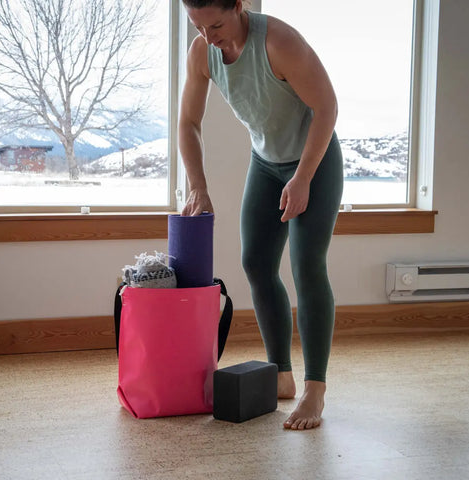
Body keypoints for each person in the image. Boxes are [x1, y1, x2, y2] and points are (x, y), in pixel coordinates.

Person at [179, 0, 343, 430]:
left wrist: (304, 177)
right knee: (256, 262)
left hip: (314, 161)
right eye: (198, 26)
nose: (208, 37)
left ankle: (315, 388)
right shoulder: (203, 52)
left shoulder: (278, 41)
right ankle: (281, 375)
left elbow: (326, 107)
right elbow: (188, 123)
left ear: (239, 6)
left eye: (215, 24)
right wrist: (198, 185)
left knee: (307, 266)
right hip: (267, 163)